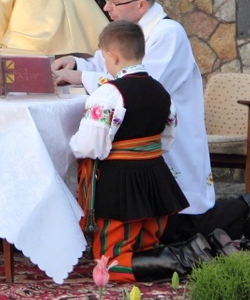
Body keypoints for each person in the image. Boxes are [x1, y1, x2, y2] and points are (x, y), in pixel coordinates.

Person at [53, 0, 250, 252]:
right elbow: (107, 62)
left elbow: (139, 84)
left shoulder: (168, 33)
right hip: (144, 140)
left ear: (141, 4)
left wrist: (82, 78)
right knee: (157, 225)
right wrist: (76, 64)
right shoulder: (132, 32)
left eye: (114, 1)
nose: (107, 7)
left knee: (181, 229)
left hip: (169, 140)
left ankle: (246, 210)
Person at [71, 20, 232, 282]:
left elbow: (91, 145)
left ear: (112, 55)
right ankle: (198, 249)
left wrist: (71, 146)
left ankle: (185, 258)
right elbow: (167, 139)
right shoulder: (161, 92)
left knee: (108, 263)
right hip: (156, 182)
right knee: (146, 246)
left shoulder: (108, 94)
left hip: (119, 188)